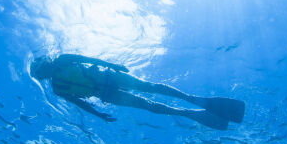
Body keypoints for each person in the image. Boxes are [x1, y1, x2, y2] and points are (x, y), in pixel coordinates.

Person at [30, 54, 245, 130]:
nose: (43, 71)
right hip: (107, 96)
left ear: (44, 62)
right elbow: (80, 103)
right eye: (40, 73)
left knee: (150, 87)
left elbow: (89, 60)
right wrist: (98, 114)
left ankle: (193, 100)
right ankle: (190, 113)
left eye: (41, 67)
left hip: (109, 77)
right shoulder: (58, 89)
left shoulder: (63, 59)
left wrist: (113, 66)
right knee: (149, 106)